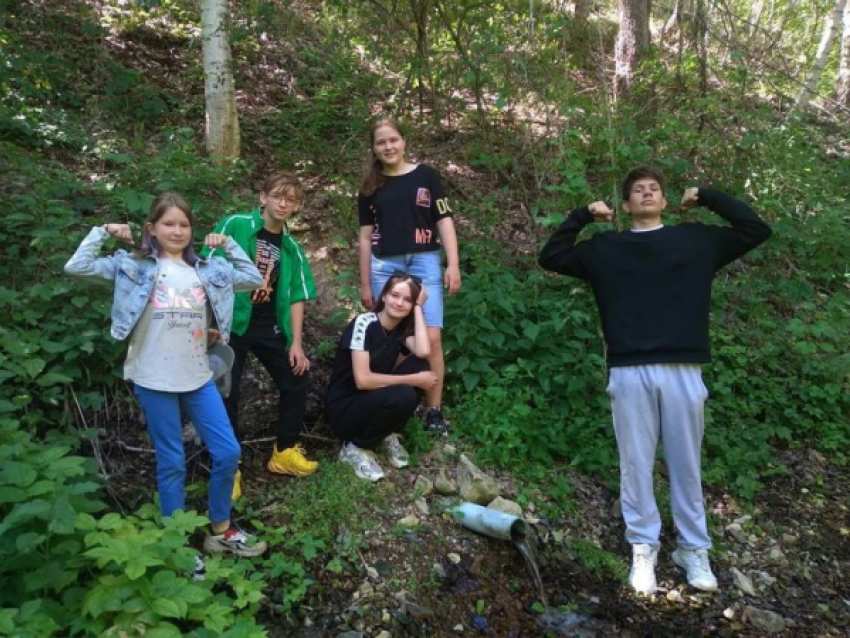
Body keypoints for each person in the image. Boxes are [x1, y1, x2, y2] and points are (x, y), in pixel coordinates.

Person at [538, 167, 771, 595]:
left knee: (686, 465)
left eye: (654, 189)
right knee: (636, 465)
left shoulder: (697, 240)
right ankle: (643, 548)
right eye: (637, 191)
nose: (646, 194)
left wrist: (707, 196)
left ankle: (693, 549)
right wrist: (584, 215)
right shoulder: (606, 247)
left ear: (665, 201)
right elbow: (550, 255)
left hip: (684, 366)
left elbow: (755, 228)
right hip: (628, 369)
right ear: (626, 206)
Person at [64, 191, 267, 558]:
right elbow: (76, 267)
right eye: (169, 224)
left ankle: (219, 529)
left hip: (197, 374)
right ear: (151, 228)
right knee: (171, 461)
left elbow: (253, 278)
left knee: (227, 451)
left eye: (184, 224)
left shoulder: (208, 269)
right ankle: (175, 546)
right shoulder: (132, 266)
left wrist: (230, 244)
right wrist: (103, 232)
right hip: (153, 376)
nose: (177, 231)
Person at [206, 172, 319, 492]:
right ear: (263, 197)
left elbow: (297, 295)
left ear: (296, 206)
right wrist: (210, 324)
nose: (284, 204)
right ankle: (230, 467)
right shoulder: (236, 225)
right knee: (227, 390)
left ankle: (284, 451)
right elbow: (209, 271)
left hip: (269, 326)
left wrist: (296, 342)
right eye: (278, 196)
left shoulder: (291, 247)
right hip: (232, 325)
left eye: (291, 199)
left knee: (296, 377)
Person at [357, 118, 461, 433]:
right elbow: (364, 237)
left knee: (431, 336)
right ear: (374, 148)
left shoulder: (426, 175)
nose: (388, 147)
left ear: (403, 141)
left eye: (393, 140)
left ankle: (434, 410)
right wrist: (365, 283)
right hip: (384, 266)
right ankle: (393, 404)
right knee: (388, 339)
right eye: (381, 142)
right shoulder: (370, 187)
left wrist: (452, 263)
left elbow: (444, 221)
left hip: (424, 262)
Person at [326, 272, 437, 481]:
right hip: (344, 409)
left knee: (420, 364)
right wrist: (413, 380)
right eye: (395, 295)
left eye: (407, 300)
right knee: (405, 390)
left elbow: (423, 351)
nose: (399, 303)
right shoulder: (364, 323)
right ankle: (355, 448)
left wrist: (418, 308)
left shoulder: (400, 329)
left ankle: (387, 435)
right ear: (384, 296)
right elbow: (363, 380)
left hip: (371, 400)